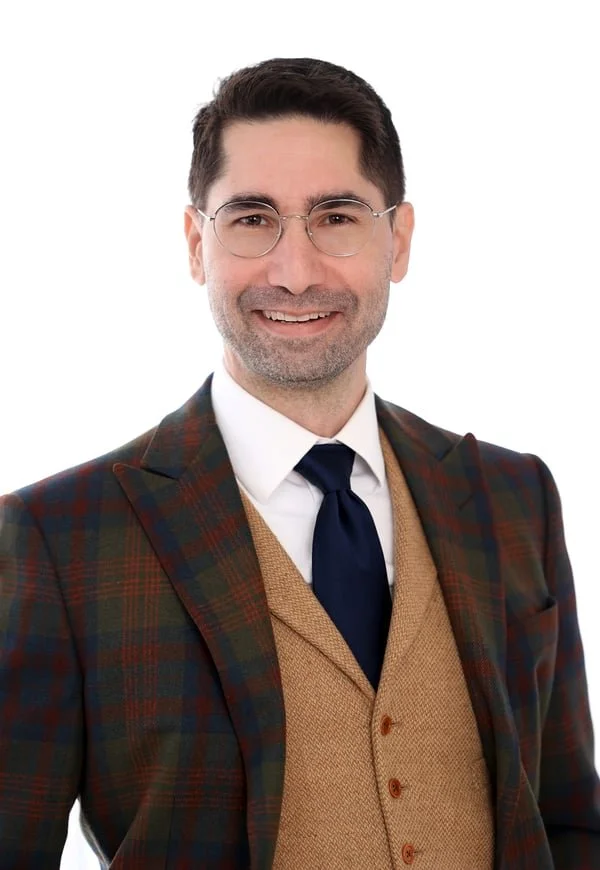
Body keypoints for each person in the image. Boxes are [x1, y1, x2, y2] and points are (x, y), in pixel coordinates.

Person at [0, 56, 599, 870]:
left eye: (336, 216)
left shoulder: (511, 497)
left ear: (399, 239)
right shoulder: (56, 538)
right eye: (252, 219)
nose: (295, 269)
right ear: (194, 242)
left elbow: (569, 820)